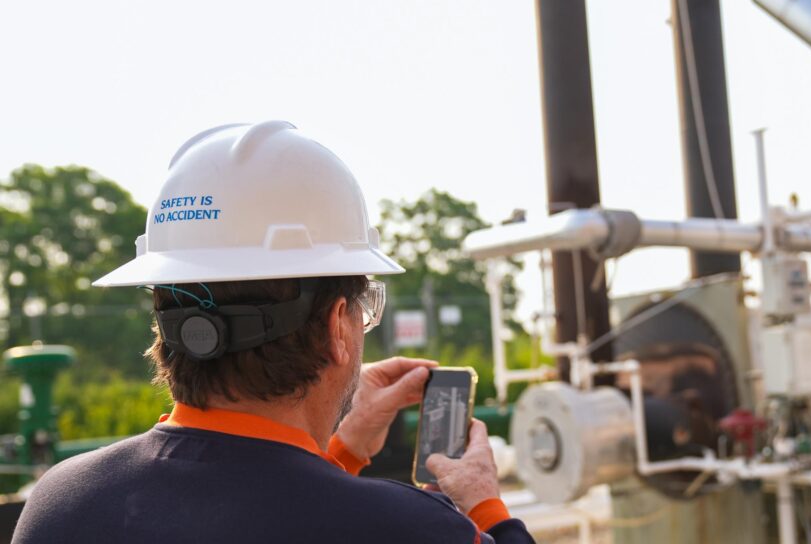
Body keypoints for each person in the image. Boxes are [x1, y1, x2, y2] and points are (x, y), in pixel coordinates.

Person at [12, 121, 535, 544]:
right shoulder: (417, 530)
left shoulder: (62, 504)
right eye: (362, 310)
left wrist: (339, 451)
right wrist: (485, 507)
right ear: (336, 327)